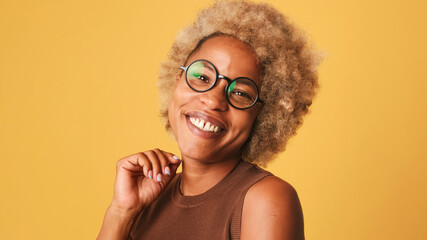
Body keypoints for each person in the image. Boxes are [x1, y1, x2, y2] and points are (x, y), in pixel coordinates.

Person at [97, 1, 320, 239]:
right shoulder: (146, 199)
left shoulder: (266, 200)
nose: (213, 100)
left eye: (241, 93)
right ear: (177, 79)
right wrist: (121, 212)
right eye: (202, 77)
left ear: (263, 116)